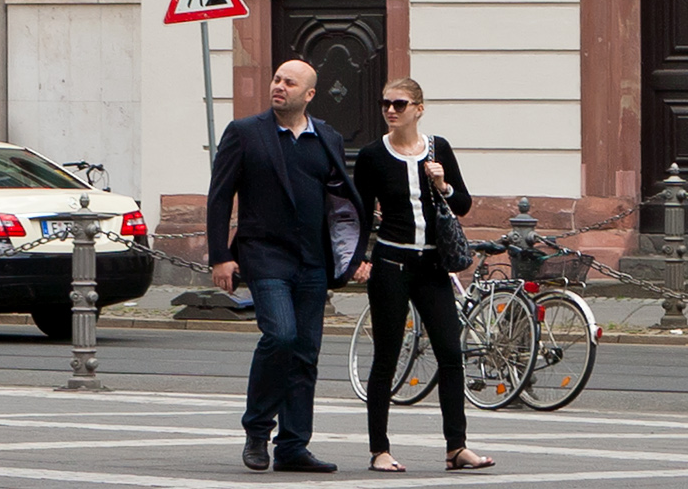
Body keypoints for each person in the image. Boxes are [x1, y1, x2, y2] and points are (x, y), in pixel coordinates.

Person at [207, 56, 361, 474]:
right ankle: (258, 431)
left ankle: (293, 446)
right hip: (263, 254)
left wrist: (352, 253)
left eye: (290, 82)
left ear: (308, 94)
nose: (279, 86)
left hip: (312, 260)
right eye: (277, 79)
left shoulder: (324, 136)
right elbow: (220, 197)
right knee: (282, 336)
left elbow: (341, 200)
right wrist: (221, 255)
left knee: (305, 353)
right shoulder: (245, 133)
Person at [351, 76, 491, 474]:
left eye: (399, 104)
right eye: (385, 104)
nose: (390, 110)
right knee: (387, 357)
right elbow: (361, 213)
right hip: (391, 265)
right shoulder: (373, 155)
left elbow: (462, 204)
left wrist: (442, 184)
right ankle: (379, 449)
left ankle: (456, 448)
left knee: (450, 351)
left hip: (432, 266)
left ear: (419, 108)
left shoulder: (438, 148)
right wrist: (358, 259)